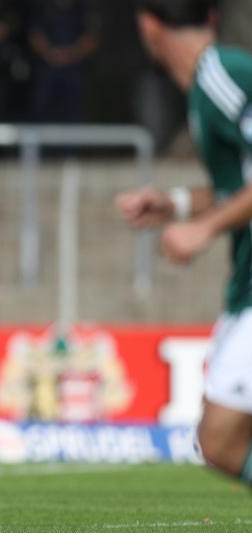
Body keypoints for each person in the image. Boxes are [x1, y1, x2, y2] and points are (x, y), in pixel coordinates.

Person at [115, 0, 252, 487]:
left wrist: (206, 229)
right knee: (219, 441)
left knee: (220, 440)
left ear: (148, 25)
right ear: (211, 18)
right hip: (245, 284)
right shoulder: (207, 85)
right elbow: (234, 189)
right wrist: (175, 204)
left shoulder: (222, 75)